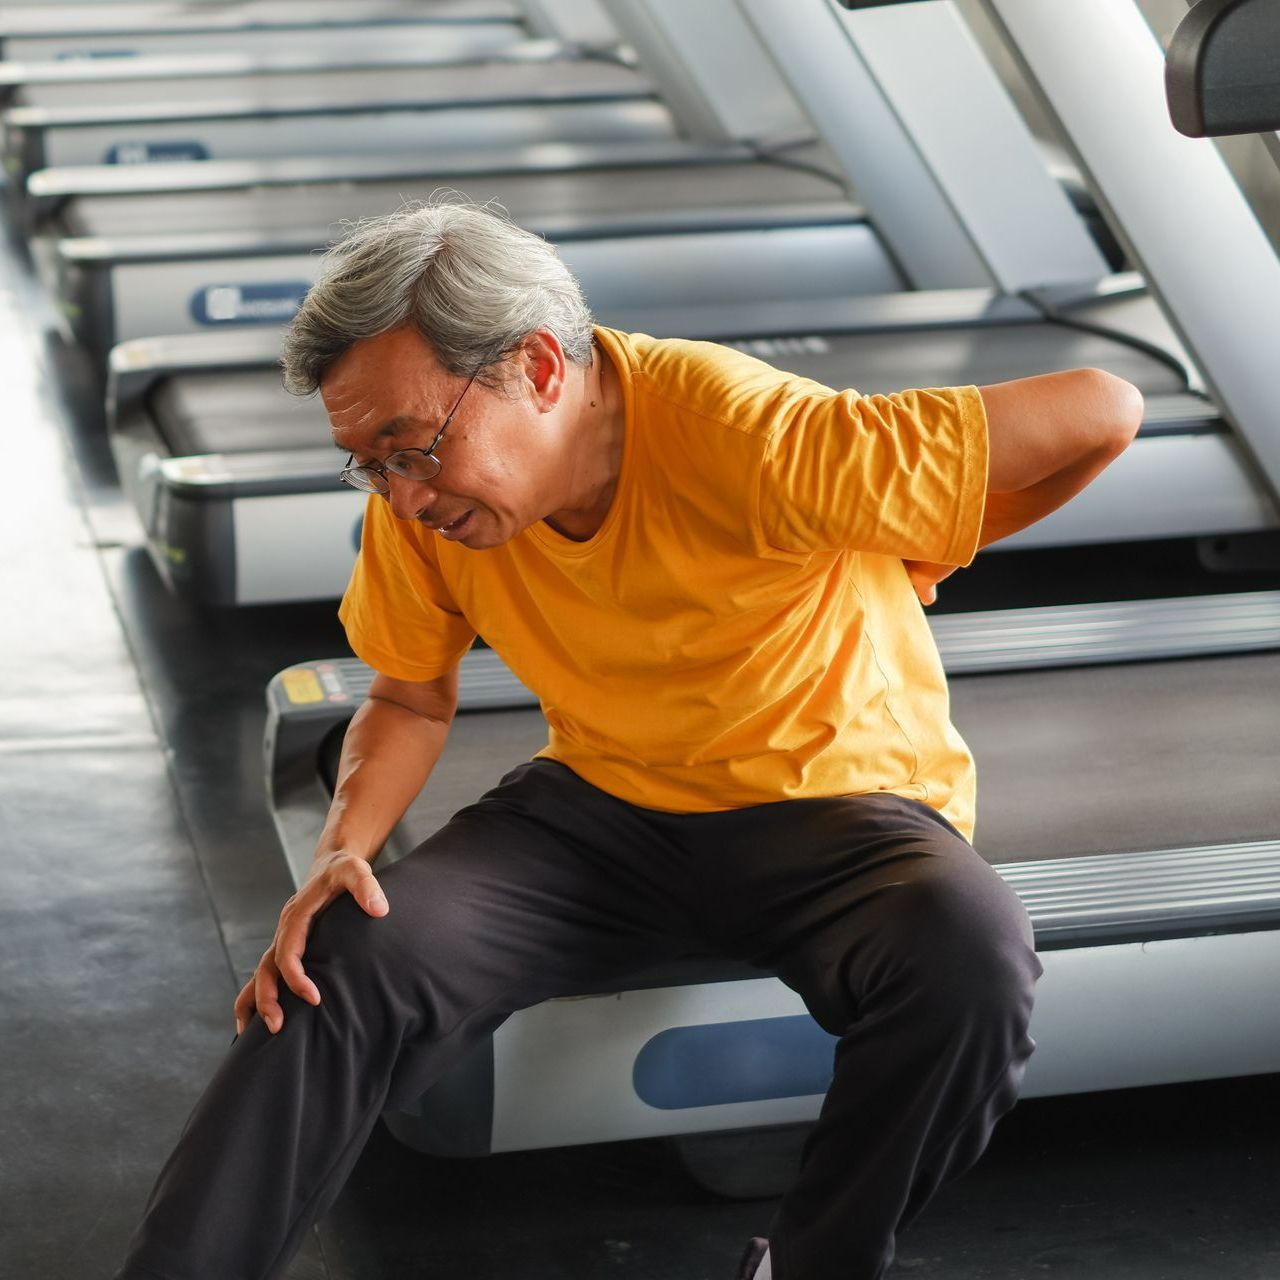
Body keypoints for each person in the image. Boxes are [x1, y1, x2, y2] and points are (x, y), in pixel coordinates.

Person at [114, 198, 1143, 1280]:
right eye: (368, 463)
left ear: (538, 372)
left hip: (835, 810)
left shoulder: (759, 434)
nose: (402, 494)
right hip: (599, 811)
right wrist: (343, 850)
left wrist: (933, 527)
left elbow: (1103, 406)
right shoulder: (418, 506)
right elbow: (410, 696)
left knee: (969, 953)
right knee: (335, 961)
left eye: (412, 449)